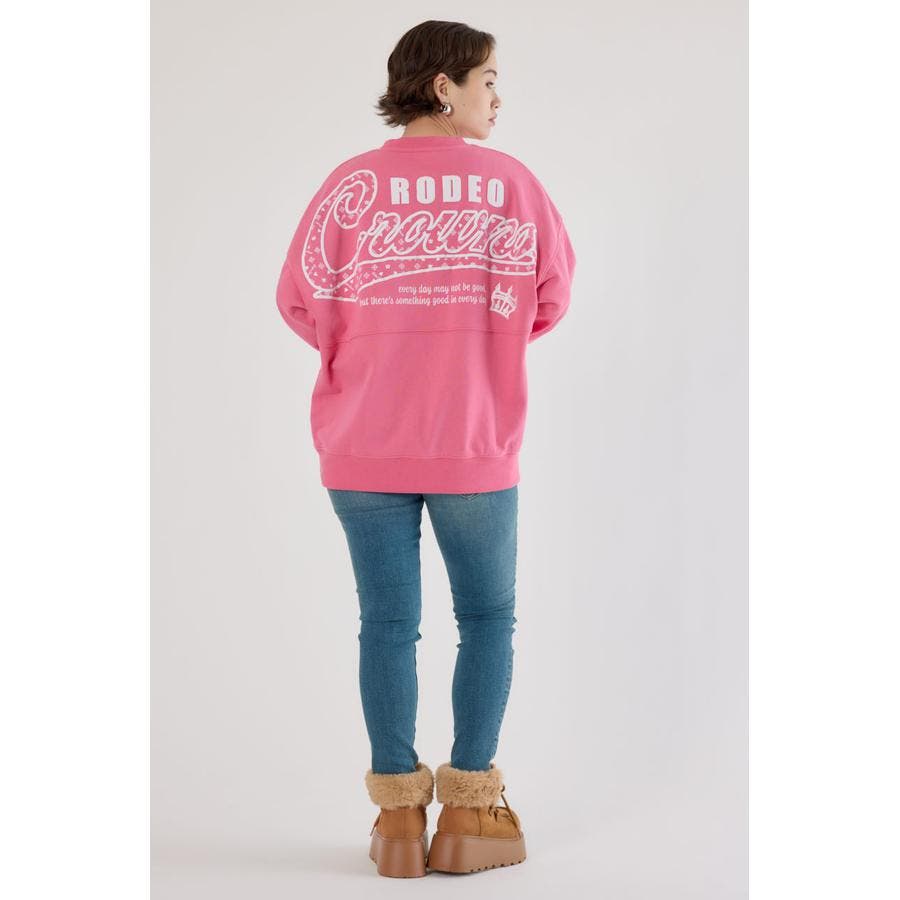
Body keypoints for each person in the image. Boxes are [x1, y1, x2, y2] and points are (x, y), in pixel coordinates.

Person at [275, 19, 576, 878]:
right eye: (488, 80)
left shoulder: (348, 187)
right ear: (443, 85)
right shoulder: (512, 185)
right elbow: (551, 296)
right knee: (486, 619)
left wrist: (378, 348)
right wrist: (479, 344)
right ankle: (471, 813)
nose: (498, 97)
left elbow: (298, 301)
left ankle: (399, 822)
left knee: (386, 623)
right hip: (472, 440)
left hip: (362, 443)